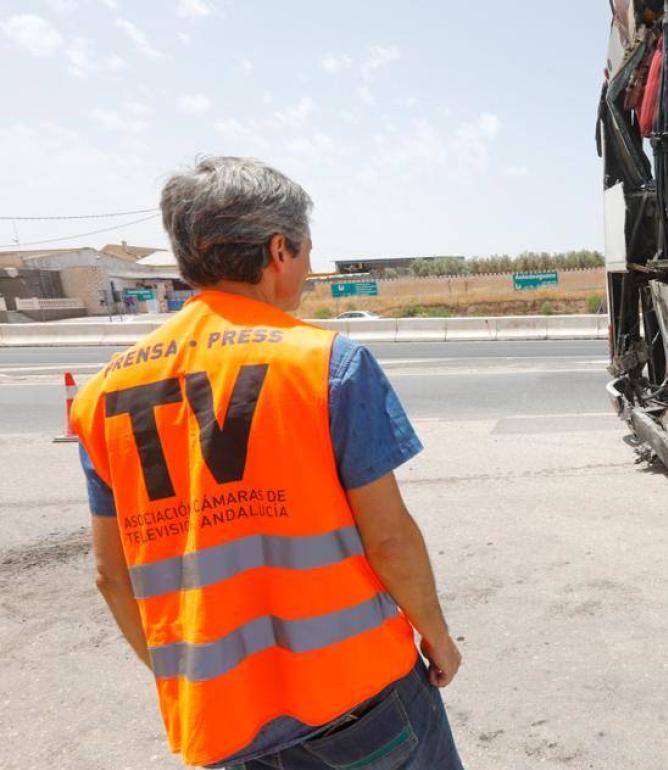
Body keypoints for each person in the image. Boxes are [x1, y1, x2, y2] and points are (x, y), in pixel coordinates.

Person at [71, 156, 463, 769]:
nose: (307, 268)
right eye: (305, 250)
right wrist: (437, 636)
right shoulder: (327, 364)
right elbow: (387, 538)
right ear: (278, 249)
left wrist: (198, 682)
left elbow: (112, 577)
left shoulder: (100, 395)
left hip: (224, 729)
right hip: (359, 707)